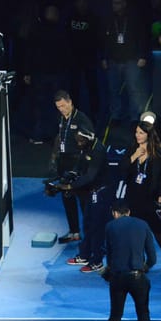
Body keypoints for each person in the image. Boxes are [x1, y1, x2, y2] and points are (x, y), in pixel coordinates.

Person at [102, 200, 159, 321]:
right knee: (143, 314)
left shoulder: (110, 227)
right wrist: (144, 269)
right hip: (137, 276)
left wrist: (110, 273)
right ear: (129, 211)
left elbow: (109, 256)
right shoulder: (143, 225)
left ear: (115, 213)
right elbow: (152, 257)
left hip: (118, 278)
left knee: (115, 317)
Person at [118, 118, 161, 276]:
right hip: (133, 196)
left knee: (158, 231)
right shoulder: (132, 148)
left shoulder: (158, 151)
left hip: (151, 198)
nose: (137, 135)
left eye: (141, 133)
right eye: (136, 132)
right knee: (134, 231)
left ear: (148, 134)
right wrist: (134, 156)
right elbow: (121, 170)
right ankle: (137, 262)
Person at [62, 129, 112, 273]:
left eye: (81, 141)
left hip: (101, 193)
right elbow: (80, 165)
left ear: (89, 139)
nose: (79, 143)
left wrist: (71, 185)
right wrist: (73, 174)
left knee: (96, 227)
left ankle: (97, 261)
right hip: (91, 192)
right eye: (77, 140)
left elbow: (90, 176)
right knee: (88, 223)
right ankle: (84, 255)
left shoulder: (98, 150)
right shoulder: (86, 147)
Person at [50, 90, 95, 244]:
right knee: (67, 198)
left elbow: (90, 142)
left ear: (70, 101)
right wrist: (54, 158)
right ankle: (74, 232)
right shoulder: (62, 118)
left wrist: (80, 167)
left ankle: (90, 234)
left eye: (63, 106)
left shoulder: (82, 119)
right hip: (64, 162)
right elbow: (60, 138)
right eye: (58, 107)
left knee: (83, 200)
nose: (61, 109)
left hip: (78, 164)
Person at [23, 4, 71, 144]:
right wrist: (27, 71)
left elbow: (67, 52)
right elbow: (30, 51)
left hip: (55, 73)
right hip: (42, 73)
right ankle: (41, 134)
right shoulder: (38, 30)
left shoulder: (61, 30)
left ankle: (57, 134)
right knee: (41, 105)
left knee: (56, 105)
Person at [101, 0, 151, 124]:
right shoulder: (109, 19)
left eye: (117, 3)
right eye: (113, 3)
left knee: (134, 89)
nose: (114, 6)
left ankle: (135, 117)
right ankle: (116, 115)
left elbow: (142, 37)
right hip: (113, 59)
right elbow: (103, 40)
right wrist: (104, 57)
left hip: (132, 59)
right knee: (113, 90)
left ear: (124, 4)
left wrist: (142, 55)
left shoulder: (134, 18)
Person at [67, 0, 101, 121]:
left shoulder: (93, 18)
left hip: (89, 57)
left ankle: (95, 112)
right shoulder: (70, 17)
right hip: (74, 58)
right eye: (78, 1)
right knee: (74, 86)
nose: (81, 4)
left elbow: (98, 38)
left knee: (92, 85)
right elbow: (66, 37)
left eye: (83, 1)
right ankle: (73, 112)